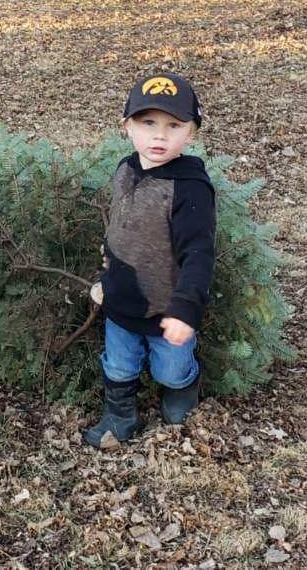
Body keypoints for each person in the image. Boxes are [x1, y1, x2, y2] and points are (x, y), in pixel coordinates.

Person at [84, 73, 216, 448]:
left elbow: (199, 254)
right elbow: (119, 230)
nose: (160, 136)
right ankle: (120, 415)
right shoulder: (125, 170)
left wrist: (185, 311)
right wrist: (105, 272)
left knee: (169, 370)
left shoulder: (190, 189)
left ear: (191, 133)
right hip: (122, 299)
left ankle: (184, 386)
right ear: (126, 126)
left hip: (168, 309)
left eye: (174, 125)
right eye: (148, 123)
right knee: (119, 364)